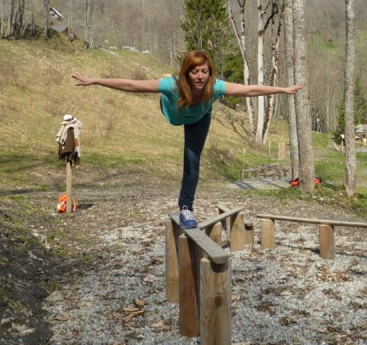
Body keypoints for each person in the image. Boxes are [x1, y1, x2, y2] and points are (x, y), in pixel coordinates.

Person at [72, 50, 303, 229]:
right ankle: (169, 107)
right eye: (195, 72)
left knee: (192, 162)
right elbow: (132, 85)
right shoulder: (171, 85)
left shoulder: (216, 88)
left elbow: (249, 90)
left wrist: (282, 90)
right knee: (169, 108)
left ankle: (186, 208)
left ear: (209, 72)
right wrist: (94, 80)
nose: (200, 76)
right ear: (186, 73)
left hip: (199, 119)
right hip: (172, 112)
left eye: (204, 71)